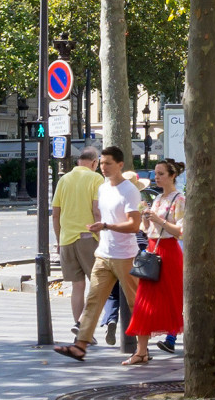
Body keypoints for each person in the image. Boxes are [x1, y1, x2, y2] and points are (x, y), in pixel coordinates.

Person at [54, 147, 148, 362]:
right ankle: (80, 346)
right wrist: (99, 229)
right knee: (94, 300)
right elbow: (98, 213)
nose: (104, 168)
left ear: (120, 165)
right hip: (103, 254)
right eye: (102, 163)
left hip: (124, 255)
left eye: (108, 164)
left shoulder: (129, 191)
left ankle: (142, 350)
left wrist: (106, 225)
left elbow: (134, 225)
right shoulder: (103, 188)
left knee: (135, 303)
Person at [121, 160, 185, 365]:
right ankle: (141, 351)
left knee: (171, 301)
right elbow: (148, 230)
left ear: (172, 175)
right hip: (152, 250)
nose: (156, 177)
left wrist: (158, 220)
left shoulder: (179, 199)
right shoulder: (157, 198)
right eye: (156, 174)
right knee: (143, 302)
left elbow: (180, 233)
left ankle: (169, 338)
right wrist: (146, 216)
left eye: (160, 174)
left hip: (169, 253)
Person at [53, 148, 105, 329]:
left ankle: (79, 324)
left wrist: (59, 240)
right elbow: (97, 211)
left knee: (77, 286)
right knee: (98, 284)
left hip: (66, 239)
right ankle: (86, 324)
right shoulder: (96, 178)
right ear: (94, 163)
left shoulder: (63, 179)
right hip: (88, 237)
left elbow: (55, 214)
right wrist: (100, 237)